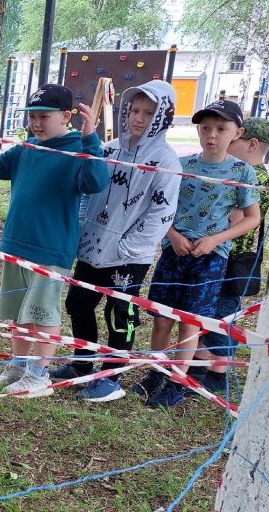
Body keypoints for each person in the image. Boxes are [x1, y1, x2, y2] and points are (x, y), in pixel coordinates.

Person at [0, 83, 110, 396]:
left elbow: (95, 182)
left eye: (44, 116)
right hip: (17, 245)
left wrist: (90, 139)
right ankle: (18, 365)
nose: (36, 123)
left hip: (51, 249)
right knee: (18, 313)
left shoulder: (77, 148)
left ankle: (39, 375)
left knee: (43, 315)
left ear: (66, 116)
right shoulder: (27, 148)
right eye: (33, 116)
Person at [48, 80, 181, 402]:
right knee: (78, 304)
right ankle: (82, 365)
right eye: (135, 110)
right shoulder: (109, 150)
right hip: (93, 247)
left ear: (163, 117)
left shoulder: (166, 161)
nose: (139, 118)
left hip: (128, 256)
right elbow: (87, 189)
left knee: (120, 314)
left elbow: (162, 212)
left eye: (149, 113)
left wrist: (130, 247)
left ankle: (111, 377)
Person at [131, 100, 260, 408]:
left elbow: (252, 217)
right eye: (205, 128)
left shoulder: (242, 172)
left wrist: (216, 240)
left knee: (190, 322)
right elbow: (158, 207)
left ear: (237, 133)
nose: (211, 135)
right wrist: (171, 235)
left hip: (210, 260)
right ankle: (156, 373)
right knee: (162, 318)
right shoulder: (181, 166)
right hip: (173, 253)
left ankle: (178, 381)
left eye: (221, 129)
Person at [191, 117, 269, 393]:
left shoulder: (252, 177)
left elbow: (235, 217)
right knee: (211, 309)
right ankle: (201, 360)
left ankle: (218, 372)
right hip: (225, 254)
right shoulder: (255, 174)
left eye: (233, 139)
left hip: (231, 258)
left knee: (223, 313)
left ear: (250, 143)